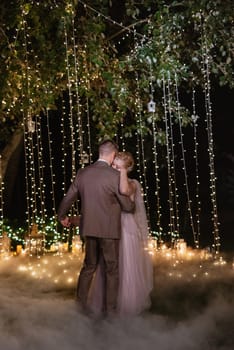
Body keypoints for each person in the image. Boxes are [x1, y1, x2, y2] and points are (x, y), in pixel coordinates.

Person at [57, 140, 135, 317]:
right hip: (109, 232)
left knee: (88, 266)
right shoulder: (115, 176)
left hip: (88, 229)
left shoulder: (83, 173)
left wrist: (62, 216)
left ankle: (79, 307)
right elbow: (128, 208)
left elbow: (69, 197)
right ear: (113, 155)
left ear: (100, 152)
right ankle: (110, 312)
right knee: (111, 270)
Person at [89, 151, 153, 316]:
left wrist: (122, 171)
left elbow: (124, 191)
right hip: (111, 225)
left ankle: (126, 305)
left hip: (126, 227)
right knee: (109, 265)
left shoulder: (132, 183)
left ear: (126, 169)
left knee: (126, 264)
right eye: (113, 165)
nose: (114, 169)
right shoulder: (110, 182)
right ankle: (106, 303)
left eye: (118, 167)